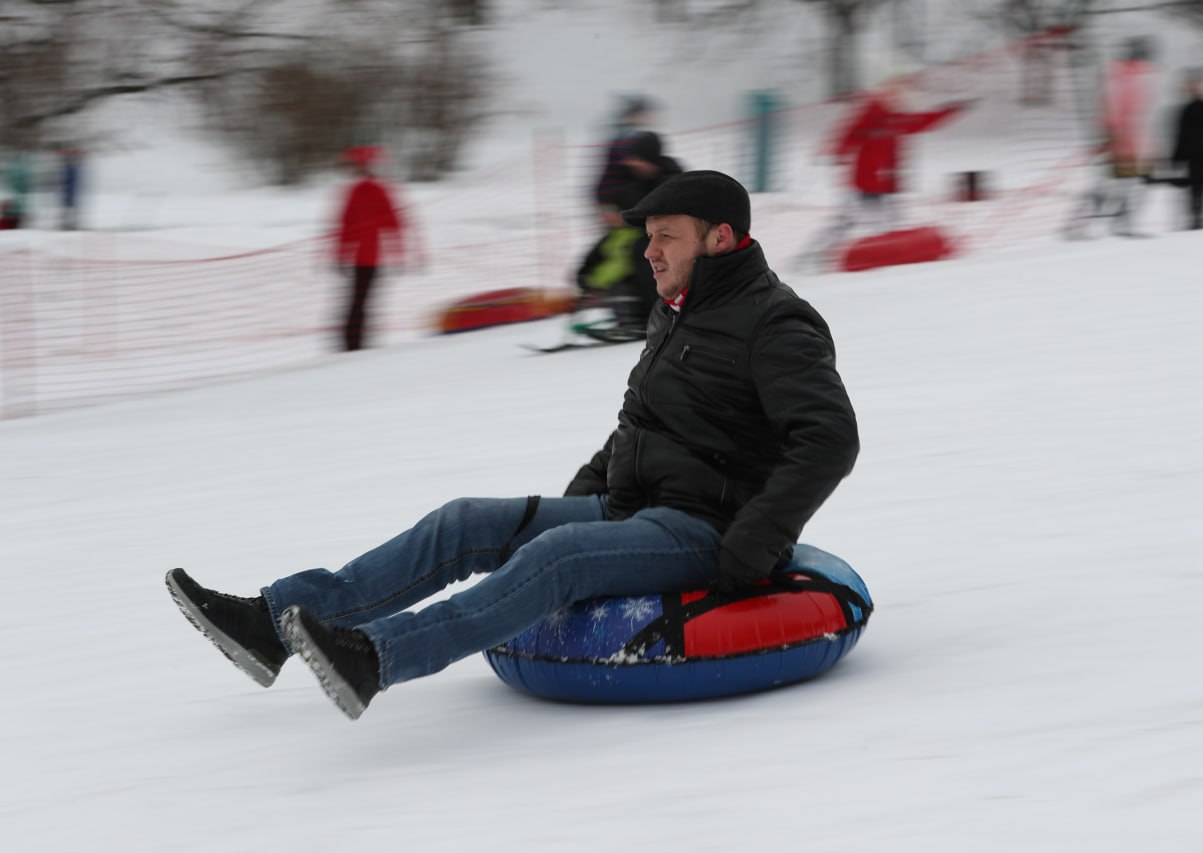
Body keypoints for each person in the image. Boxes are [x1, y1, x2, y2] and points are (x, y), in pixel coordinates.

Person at [165, 170, 860, 720]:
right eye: (648, 235)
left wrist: (755, 541)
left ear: (719, 238)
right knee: (465, 519)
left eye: (665, 236)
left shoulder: (777, 321)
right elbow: (640, 422)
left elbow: (829, 439)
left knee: (554, 557)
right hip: (638, 509)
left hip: (707, 528)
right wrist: (590, 493)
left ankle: (375, 657)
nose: (648, 251)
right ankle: (270, 621)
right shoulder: (676, 311)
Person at [811, 78, 968, 257]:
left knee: (886, 221)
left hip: (889, 183)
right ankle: (818, 253)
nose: (903, 100)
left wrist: (951, 111)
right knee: (856, 221)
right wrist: (837, 154)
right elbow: (849, 132)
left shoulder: (899, 117)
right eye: (898, 95)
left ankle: (885, 255)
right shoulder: (871, 113)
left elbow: (924, 120)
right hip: (866, 181)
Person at [576, 131, 682, 335]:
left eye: (636, 159)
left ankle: (660, 313)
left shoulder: (671, 180)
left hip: (674, 242)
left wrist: (625, 218)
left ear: (649, 159)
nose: (631, 163)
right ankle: (633, 313)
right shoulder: (636, 181)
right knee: (608, 249)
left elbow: (667, 219)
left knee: (640, 250)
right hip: (640, 235)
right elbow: (623, 203)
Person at [1065, 38, 1159, 239]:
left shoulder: (1128, 73)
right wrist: (1113, 133)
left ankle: (1112, 224)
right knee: (1113, 185)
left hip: (1127, 142)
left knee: (1122, 184)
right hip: (1121, 142)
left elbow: (1136, 112)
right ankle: (1080, 225)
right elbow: (1117, 108)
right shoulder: (1127, 75)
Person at [333, 145, 403, 351]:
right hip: (371, 258)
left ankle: (352, 343)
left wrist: (341, 256)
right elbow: (393, 224)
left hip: (361, 258)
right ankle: (355, 344)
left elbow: (345, 227)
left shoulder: (356, 191)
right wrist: (397, 254)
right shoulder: (379, 190)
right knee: (361, 301)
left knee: (357, 301)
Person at [1166, 69, 1203, 230]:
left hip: (1201, 153)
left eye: (1195, 85)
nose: (1192, 88)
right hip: (1188, 154)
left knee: (1199, 187)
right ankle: (1194, 218)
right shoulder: (1184, 110)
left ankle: (1198, 218)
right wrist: (1175, 157)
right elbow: (1179, 135)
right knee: (1190, 188)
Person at [594, 94, 656, 208]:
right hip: (619, 201)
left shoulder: (631, 136)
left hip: (623, 199)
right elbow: (612, 173)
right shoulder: (624, 140)